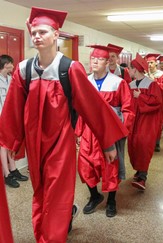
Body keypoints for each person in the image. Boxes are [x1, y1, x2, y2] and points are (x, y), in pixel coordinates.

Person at [0, 7, 129, 243]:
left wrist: (108, 142)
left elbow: (93, 107)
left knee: (57, 196)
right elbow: (12, 110)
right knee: (40, 193)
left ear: (56, 34)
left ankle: (51, 236)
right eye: (34, 32)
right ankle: (45, 232)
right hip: (34, 144)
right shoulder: (24, 69)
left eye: (42, 31)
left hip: (61, 144)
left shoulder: (69, 69)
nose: (36, 36)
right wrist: (9, 141)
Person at [75, 44, 134, 217]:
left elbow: (128, 109)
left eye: (99, 59)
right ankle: (95, 196)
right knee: (85, 165)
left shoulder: (117, 83)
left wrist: (120, 129)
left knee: (111, 167)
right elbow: (80, 109)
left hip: (110, 132)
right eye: (92, 58)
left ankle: (111, 201)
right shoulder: (85, 81)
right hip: (88, 131)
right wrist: (78, 132)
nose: (94, 61)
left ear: (107, 62)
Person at [128, 53, 162, 190]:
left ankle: (143, 177)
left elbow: (157, 102)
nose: (129, 72)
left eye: (130, 69)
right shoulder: (130, 84)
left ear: (134, 70)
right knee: (134, 145)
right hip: (133, 121)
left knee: (143, 146)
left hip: (146, 122)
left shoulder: (151, 84)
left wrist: (140, 96)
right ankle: (138, 170)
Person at [0, 55, 28, 188]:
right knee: (3, 146)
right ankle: (6, 174)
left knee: (10, 144)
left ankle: (13, 169)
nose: (12, 65)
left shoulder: (11, 78)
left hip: (10, 117)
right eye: (11, 63)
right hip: (1, 117)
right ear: (6, 65)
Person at [145, 53, 163, 152]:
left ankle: (157, 143)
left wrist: (154, 81)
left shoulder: (162, 75)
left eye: (151, 62)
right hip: (147, 103)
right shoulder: (145, 75)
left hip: (159, 104)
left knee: (157, 124)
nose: (149, 65)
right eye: (148, 63)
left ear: (156, 63)